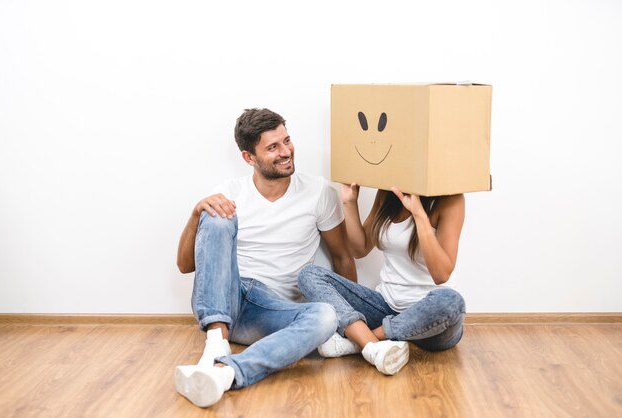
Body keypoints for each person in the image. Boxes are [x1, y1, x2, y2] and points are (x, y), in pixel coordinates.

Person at [174, 108, 357, 408]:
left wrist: (348, 322)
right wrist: (197, 214)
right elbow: (185, 266)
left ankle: (224, 374)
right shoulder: (230, 192)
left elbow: (343, 257)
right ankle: (216, 342)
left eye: (287, 140)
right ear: (249, 157)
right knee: (217, 215)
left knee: (325, 316)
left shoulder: (318, 192)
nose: (286, 152)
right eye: (273, 147)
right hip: (228, 298)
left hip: (273, 312)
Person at [298, 183, 466, 376]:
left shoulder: (451, 199)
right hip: (386, 307)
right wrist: (350, 202)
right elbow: (359, 249)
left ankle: (361, 342)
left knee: (452, 301)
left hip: (432, 323)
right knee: (309, 275)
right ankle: (374, 343)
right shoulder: (388, 193)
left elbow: (441, 274)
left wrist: (419, 215)